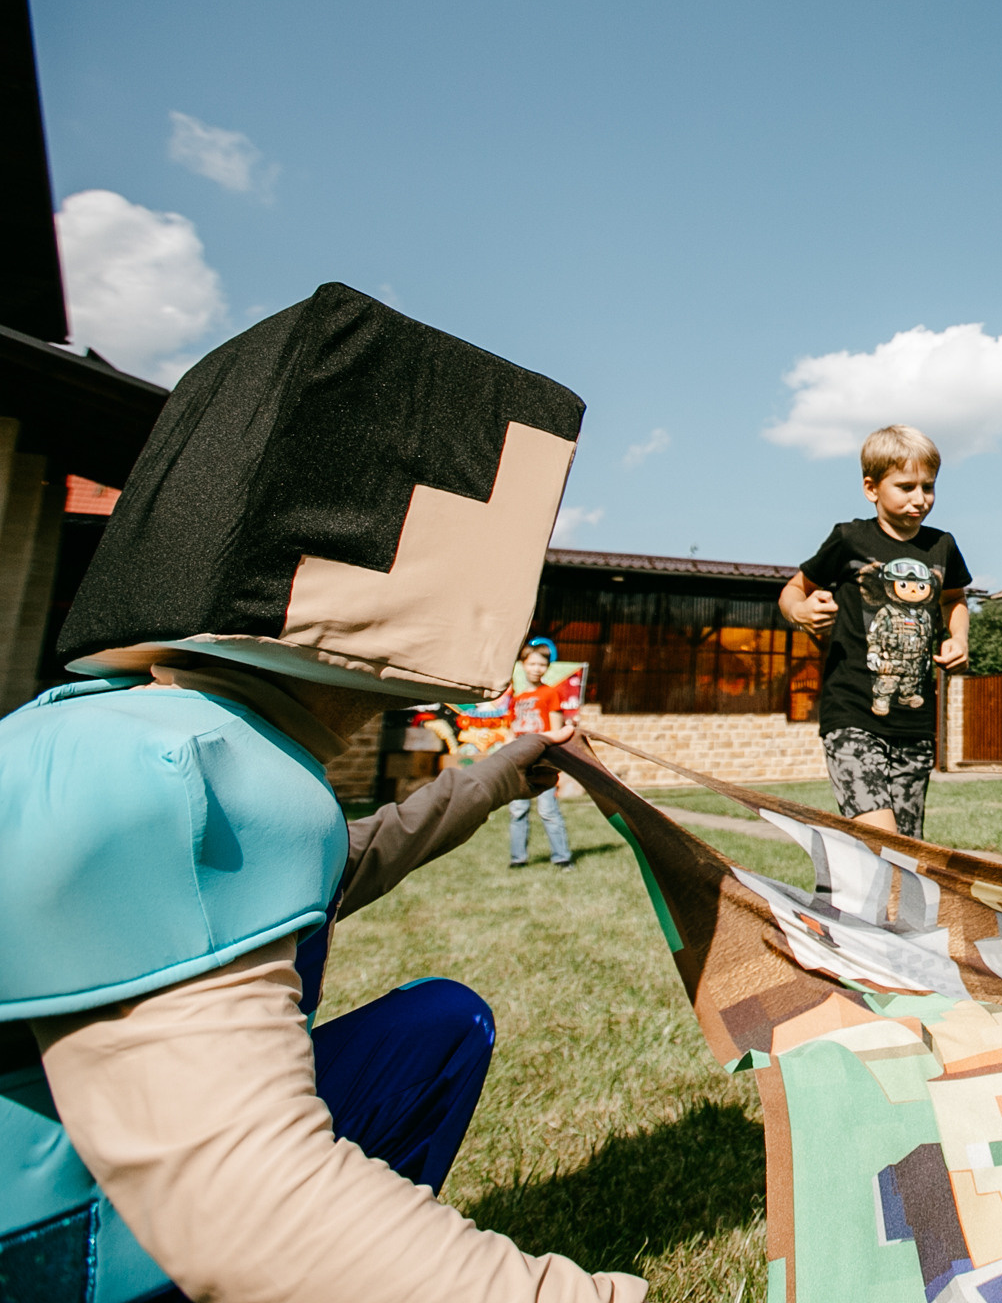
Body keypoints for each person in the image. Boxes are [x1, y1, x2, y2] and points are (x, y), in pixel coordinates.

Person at [0, 283, 641, 1303]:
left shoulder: (175, 736)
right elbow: (248, 1207)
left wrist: (496, 772)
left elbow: (346, 858)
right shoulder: (161, 771)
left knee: (436, 1027)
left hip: (116, 1191)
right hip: (52, 1248)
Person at [779, 424, 971, 839]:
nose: (920, 499)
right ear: (872, 488)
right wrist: (802, 611)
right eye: (905, 487)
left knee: (907, 853)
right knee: (882, 845)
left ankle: (840, 900)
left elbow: (954, 599)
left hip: (914, 725)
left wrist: (960, 638)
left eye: (928, 487)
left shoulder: (943, 547)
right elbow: (793, 591)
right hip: (852, 716)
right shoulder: (849, 539)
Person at [506, 639, 575, 870]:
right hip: (518, 760)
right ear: (523, 664)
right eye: (532, 663)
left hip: (543, 760)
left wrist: (555, 761)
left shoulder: (550, 693)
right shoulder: (516, 697)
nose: (537, 668)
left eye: (542, 665)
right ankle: (518, 859)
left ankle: (562, 858)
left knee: (547, 810)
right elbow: (510, 728)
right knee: (517, 810)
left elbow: (556, 731)